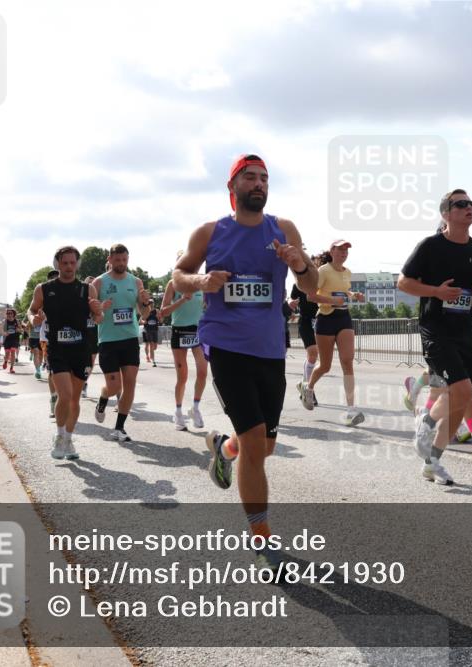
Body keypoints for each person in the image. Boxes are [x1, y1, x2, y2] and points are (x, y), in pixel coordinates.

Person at [173, 153, 316, 571]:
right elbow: (177, 275)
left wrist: (300, 264)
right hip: (226, 347)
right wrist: (201, 280)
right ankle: (263, 541)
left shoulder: (283, 230)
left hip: (271, 348)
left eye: (264, 179)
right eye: (250, 177)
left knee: (262, 448)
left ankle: (223, 447)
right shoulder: (210, 232)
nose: (259, 184)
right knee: (257, 445)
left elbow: (310, 285)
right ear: (232, 187)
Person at [397, 189, 472, 484]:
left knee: (461, 397)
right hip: (435, 329)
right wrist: (436, 292)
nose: (469, 208)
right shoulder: (430, 246)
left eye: (471, 204)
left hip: (464, 330)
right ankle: (425, 425)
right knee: (461, 392)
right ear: (445, 213)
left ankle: (432, 460)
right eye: (461, 204)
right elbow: (403, 282)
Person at [29, 246, 104, 460]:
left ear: (77, 264)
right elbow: (32, 310)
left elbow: (98, 319)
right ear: (58, 264)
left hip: (81, 349)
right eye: (65, 263)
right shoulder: (43, 288)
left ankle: (68, 439)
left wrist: (99, 312)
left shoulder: (87, 290)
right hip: (57, 348)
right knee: (65, 394)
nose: (69, 267)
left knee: (75, 400)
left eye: (73, 263)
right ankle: (59, 435)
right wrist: (32, 318)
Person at [299, 241, 366, 426]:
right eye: (340, 249)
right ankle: (308, 387)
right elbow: (311, 296)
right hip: (325, 319)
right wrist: (331, 300)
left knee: (347, 361)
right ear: (332, 251)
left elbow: (344, 292)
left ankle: (351, 410)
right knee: (326, 365)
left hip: (344, 318)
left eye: (346, 250)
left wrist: (353, 295)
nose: (344, 252)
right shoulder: (323, 271)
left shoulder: (347, 272)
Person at [92, 244, 152, 442]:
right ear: (110, 259)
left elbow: (144, 314)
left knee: (130, 384)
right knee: (114, 387)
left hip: (129, 339)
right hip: (108, 340)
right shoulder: (99, 283)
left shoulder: (136, 282)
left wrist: (145, 303)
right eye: (117, 260)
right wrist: (100, 309)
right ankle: (103, 398)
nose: (121, 264)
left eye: (124, 260)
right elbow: (95, 318)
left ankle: (119, 427)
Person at [160, 254, 207, 430]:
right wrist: (181, 299)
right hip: (180, 331)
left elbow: (208, 304)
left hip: (198, 330)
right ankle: (178, 411)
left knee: (203, 371)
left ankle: (195, 408)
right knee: (183, 375)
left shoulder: (202, 281)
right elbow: (163, 312)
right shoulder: (173, 284)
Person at [289, 254, 322, 394]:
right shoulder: (299, 283)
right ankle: (309, 390)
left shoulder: (323, 283)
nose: (316, 269)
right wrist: (291, 302)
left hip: (321, 320)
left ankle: (304, 384)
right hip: (306, 321)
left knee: (316, 358)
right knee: (313, 354)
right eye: (314, 265)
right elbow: (292, 298)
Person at [1, 308, 21, 373]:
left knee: (12, 353)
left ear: (13, 314)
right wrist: (4, 333)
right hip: (7, 339)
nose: (9, 315)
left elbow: (21, 329)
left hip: (15, 339)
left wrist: (19, 330)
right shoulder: (4, 321)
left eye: (10, 313)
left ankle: (11, 368)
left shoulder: (16, 321)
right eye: (8, 313)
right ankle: (5, 362)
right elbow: (1, 330)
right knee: (7, 354)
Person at [143, 300, 160, 367]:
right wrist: (143, 321)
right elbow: (141, 320)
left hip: (155, 330)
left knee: (155, 346)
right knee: (150, 344)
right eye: (150, 303)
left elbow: (160, 319)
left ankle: (151, 354)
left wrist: (160, 318)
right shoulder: (145, 311)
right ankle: (152, 359)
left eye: (152, 303)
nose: (151, 304)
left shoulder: (157, 311)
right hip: (147, 330)